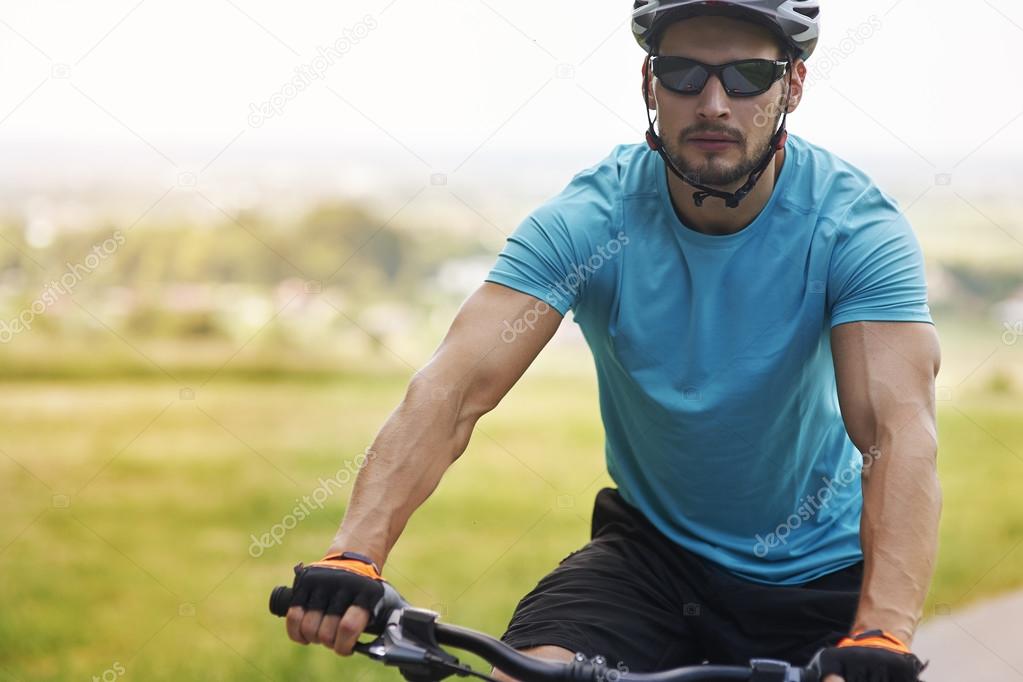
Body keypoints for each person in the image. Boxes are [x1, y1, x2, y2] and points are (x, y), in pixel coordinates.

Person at [282, 2, 940, 681]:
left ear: (791, 87)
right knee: (529, 671)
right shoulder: (591, 221)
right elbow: (451, 391)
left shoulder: (852, 229)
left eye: (746, 76)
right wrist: (354, 555)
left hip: (819, 572)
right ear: (648, 83)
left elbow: (897, 434)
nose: (713, 103)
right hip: (653, 557)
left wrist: (882, 630)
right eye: (682, 73)